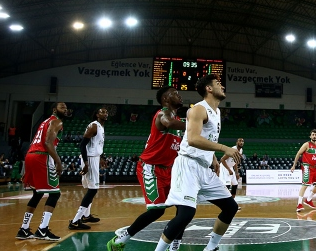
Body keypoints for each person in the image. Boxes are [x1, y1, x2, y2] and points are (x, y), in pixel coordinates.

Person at [153, 74, 242, 251]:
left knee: (230, 207)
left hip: (204, 166)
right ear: (209, 89)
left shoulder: (216, 112)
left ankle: (211, 248)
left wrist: (214, 159)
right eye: (218, 84)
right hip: (188, 165)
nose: (222, 87)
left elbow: (205, 137)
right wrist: (223, 148)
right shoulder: (198, 110)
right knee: (186, 214)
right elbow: (193, 139)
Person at [107, 87, 186, 251]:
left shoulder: (178, 120)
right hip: (151, 168)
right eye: (174, 93)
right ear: (165, 98)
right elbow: (169, 123)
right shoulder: (162, 114)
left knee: (184, 207)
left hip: (170, 170)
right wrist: (196, 121)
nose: (179, 95)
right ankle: (122, 239)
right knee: (157, 211)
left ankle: (175, 245)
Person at [16, 102, 68, 241]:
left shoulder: (45, 121)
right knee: (55, 194)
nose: (65, 109)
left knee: (37, 194)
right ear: (54, 109)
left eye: (66, 107)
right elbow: (47, 142)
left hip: (30, 155)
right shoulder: (57, 121)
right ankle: (42, 229)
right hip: (41, 156)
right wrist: (58, 162)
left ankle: (24, 229)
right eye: (62, 107)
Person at [69, 107, 108, 230]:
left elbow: (96, 145)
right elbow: (82, 144)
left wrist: (100, 157)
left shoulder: (101, 127)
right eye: (102, 112)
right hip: (89, 159)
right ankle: (75, 221)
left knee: (91, 188)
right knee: (93, 190)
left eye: (106, 112)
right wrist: (86, 163)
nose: (105, 114)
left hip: (94, 158)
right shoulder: (94, 126)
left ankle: (86, 215)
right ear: (97, 114)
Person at [291, 129, 316, 212]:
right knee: (305, 185)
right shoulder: (306, 144)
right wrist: (294, 165)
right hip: (306, 167)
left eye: (315, 135)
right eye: (313, 135)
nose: (314, 136)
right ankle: (299, 204)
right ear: (310, 136)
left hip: (314, 167)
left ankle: (308, 200)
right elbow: (298, 153)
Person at [220, 138, 244, 206]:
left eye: (242, 141)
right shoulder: (232, 150)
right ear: (236, 142)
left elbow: (235, 162)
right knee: (227, 185)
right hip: (224, 167)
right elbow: (222, 160)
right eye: (240, 141)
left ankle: (232, 203)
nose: (241, 142)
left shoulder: (241, 150)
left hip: (230, 167)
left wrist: (236, 173)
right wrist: (229, 170)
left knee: (235, 184)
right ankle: (225, 203)